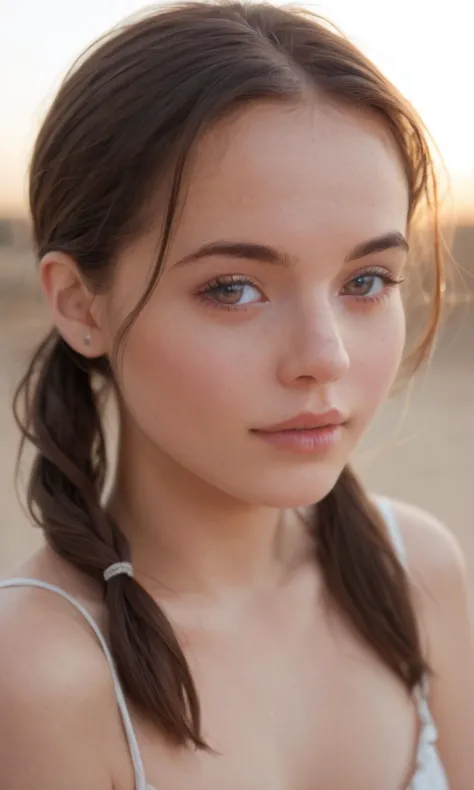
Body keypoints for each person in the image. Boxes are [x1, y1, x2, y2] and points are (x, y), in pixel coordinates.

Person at [0, 2, 472, 788]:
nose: (324, 357)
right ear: (82, 304)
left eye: (366, 281)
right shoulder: (41, 671)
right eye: (233, 288)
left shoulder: (417, 570)